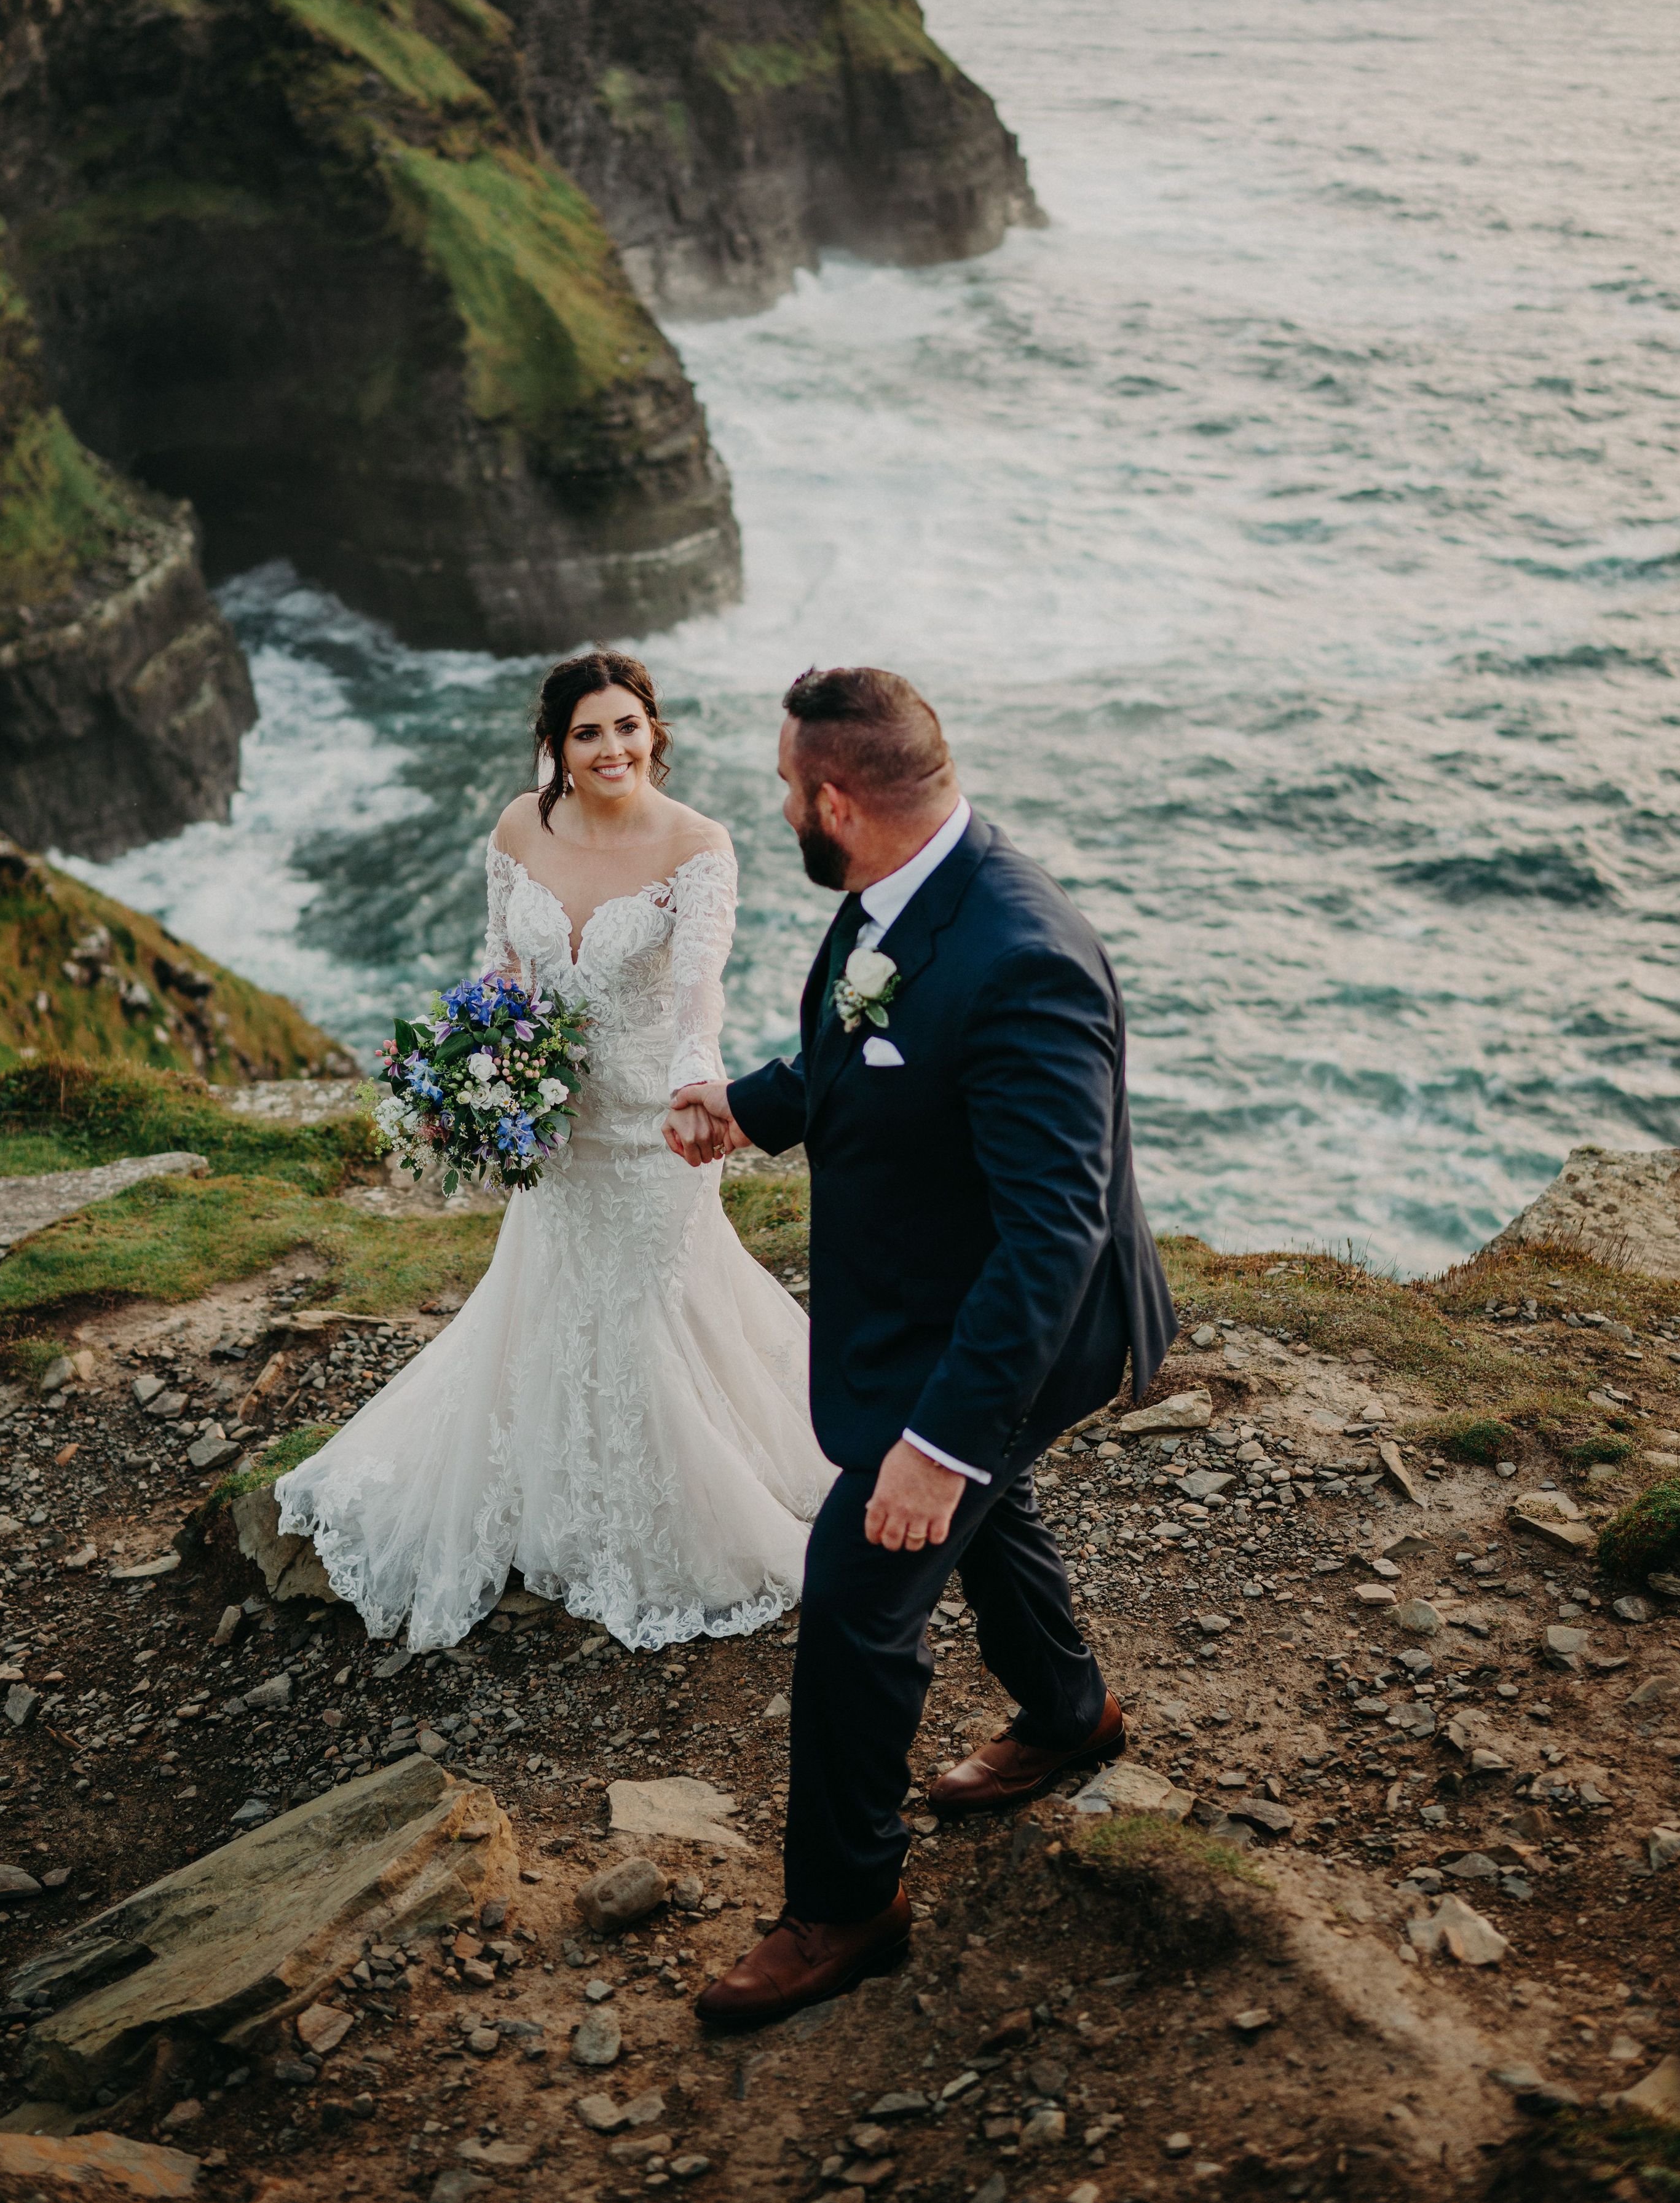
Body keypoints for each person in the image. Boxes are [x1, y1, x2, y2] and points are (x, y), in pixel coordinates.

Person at [665, 665, 1176, 2028]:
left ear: (837, 798)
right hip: (928, 1310)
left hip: (1013, 1337)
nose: (778, 804)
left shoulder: (1018, 958)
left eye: (786, 786)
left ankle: (847, 1904)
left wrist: (942, 1448)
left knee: (857, 1598)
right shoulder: (889, 903)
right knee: (978, 1522)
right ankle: (1071, 1718)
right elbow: (862, 1052)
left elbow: (1054, 1239)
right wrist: (752, 1107)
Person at [276, 650, 832, 1655]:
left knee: (644, 1311)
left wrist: (698, 1088)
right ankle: (555, 1497)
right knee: (556, 1300)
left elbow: (701, 987)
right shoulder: (517, 826)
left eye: (628, 727)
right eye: (589, 733)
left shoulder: (699, 845)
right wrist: (470, 1073)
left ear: (653, 733)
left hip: (654, 1127)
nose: (612, 748)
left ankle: (676, 1524)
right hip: (554, 1127)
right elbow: (499, 967)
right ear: (557, 746)